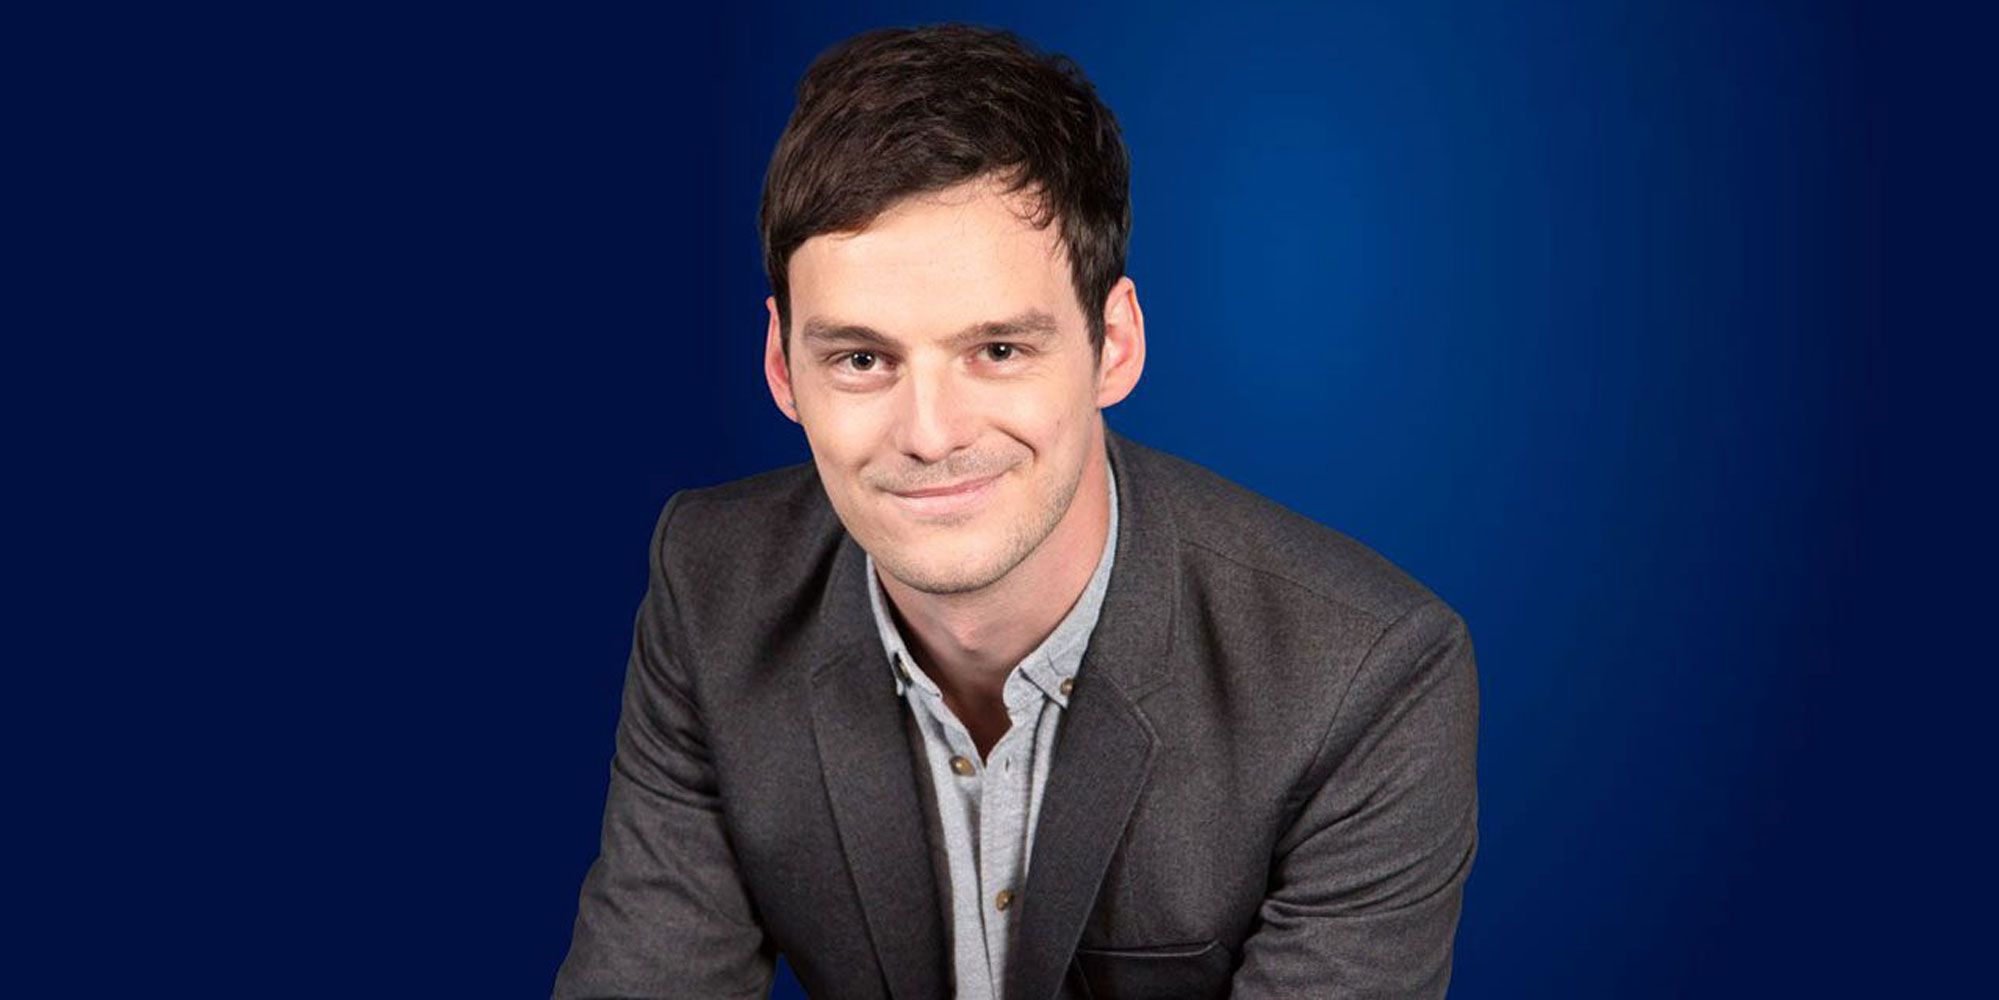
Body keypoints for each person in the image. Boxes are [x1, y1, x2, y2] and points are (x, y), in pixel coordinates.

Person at [554, 22, 1478, 1000]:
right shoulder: (711, 591)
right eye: (861, 359)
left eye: (997, 350)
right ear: (782, 366)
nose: (929, 433)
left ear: (1114, 346)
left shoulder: (1365, 680)